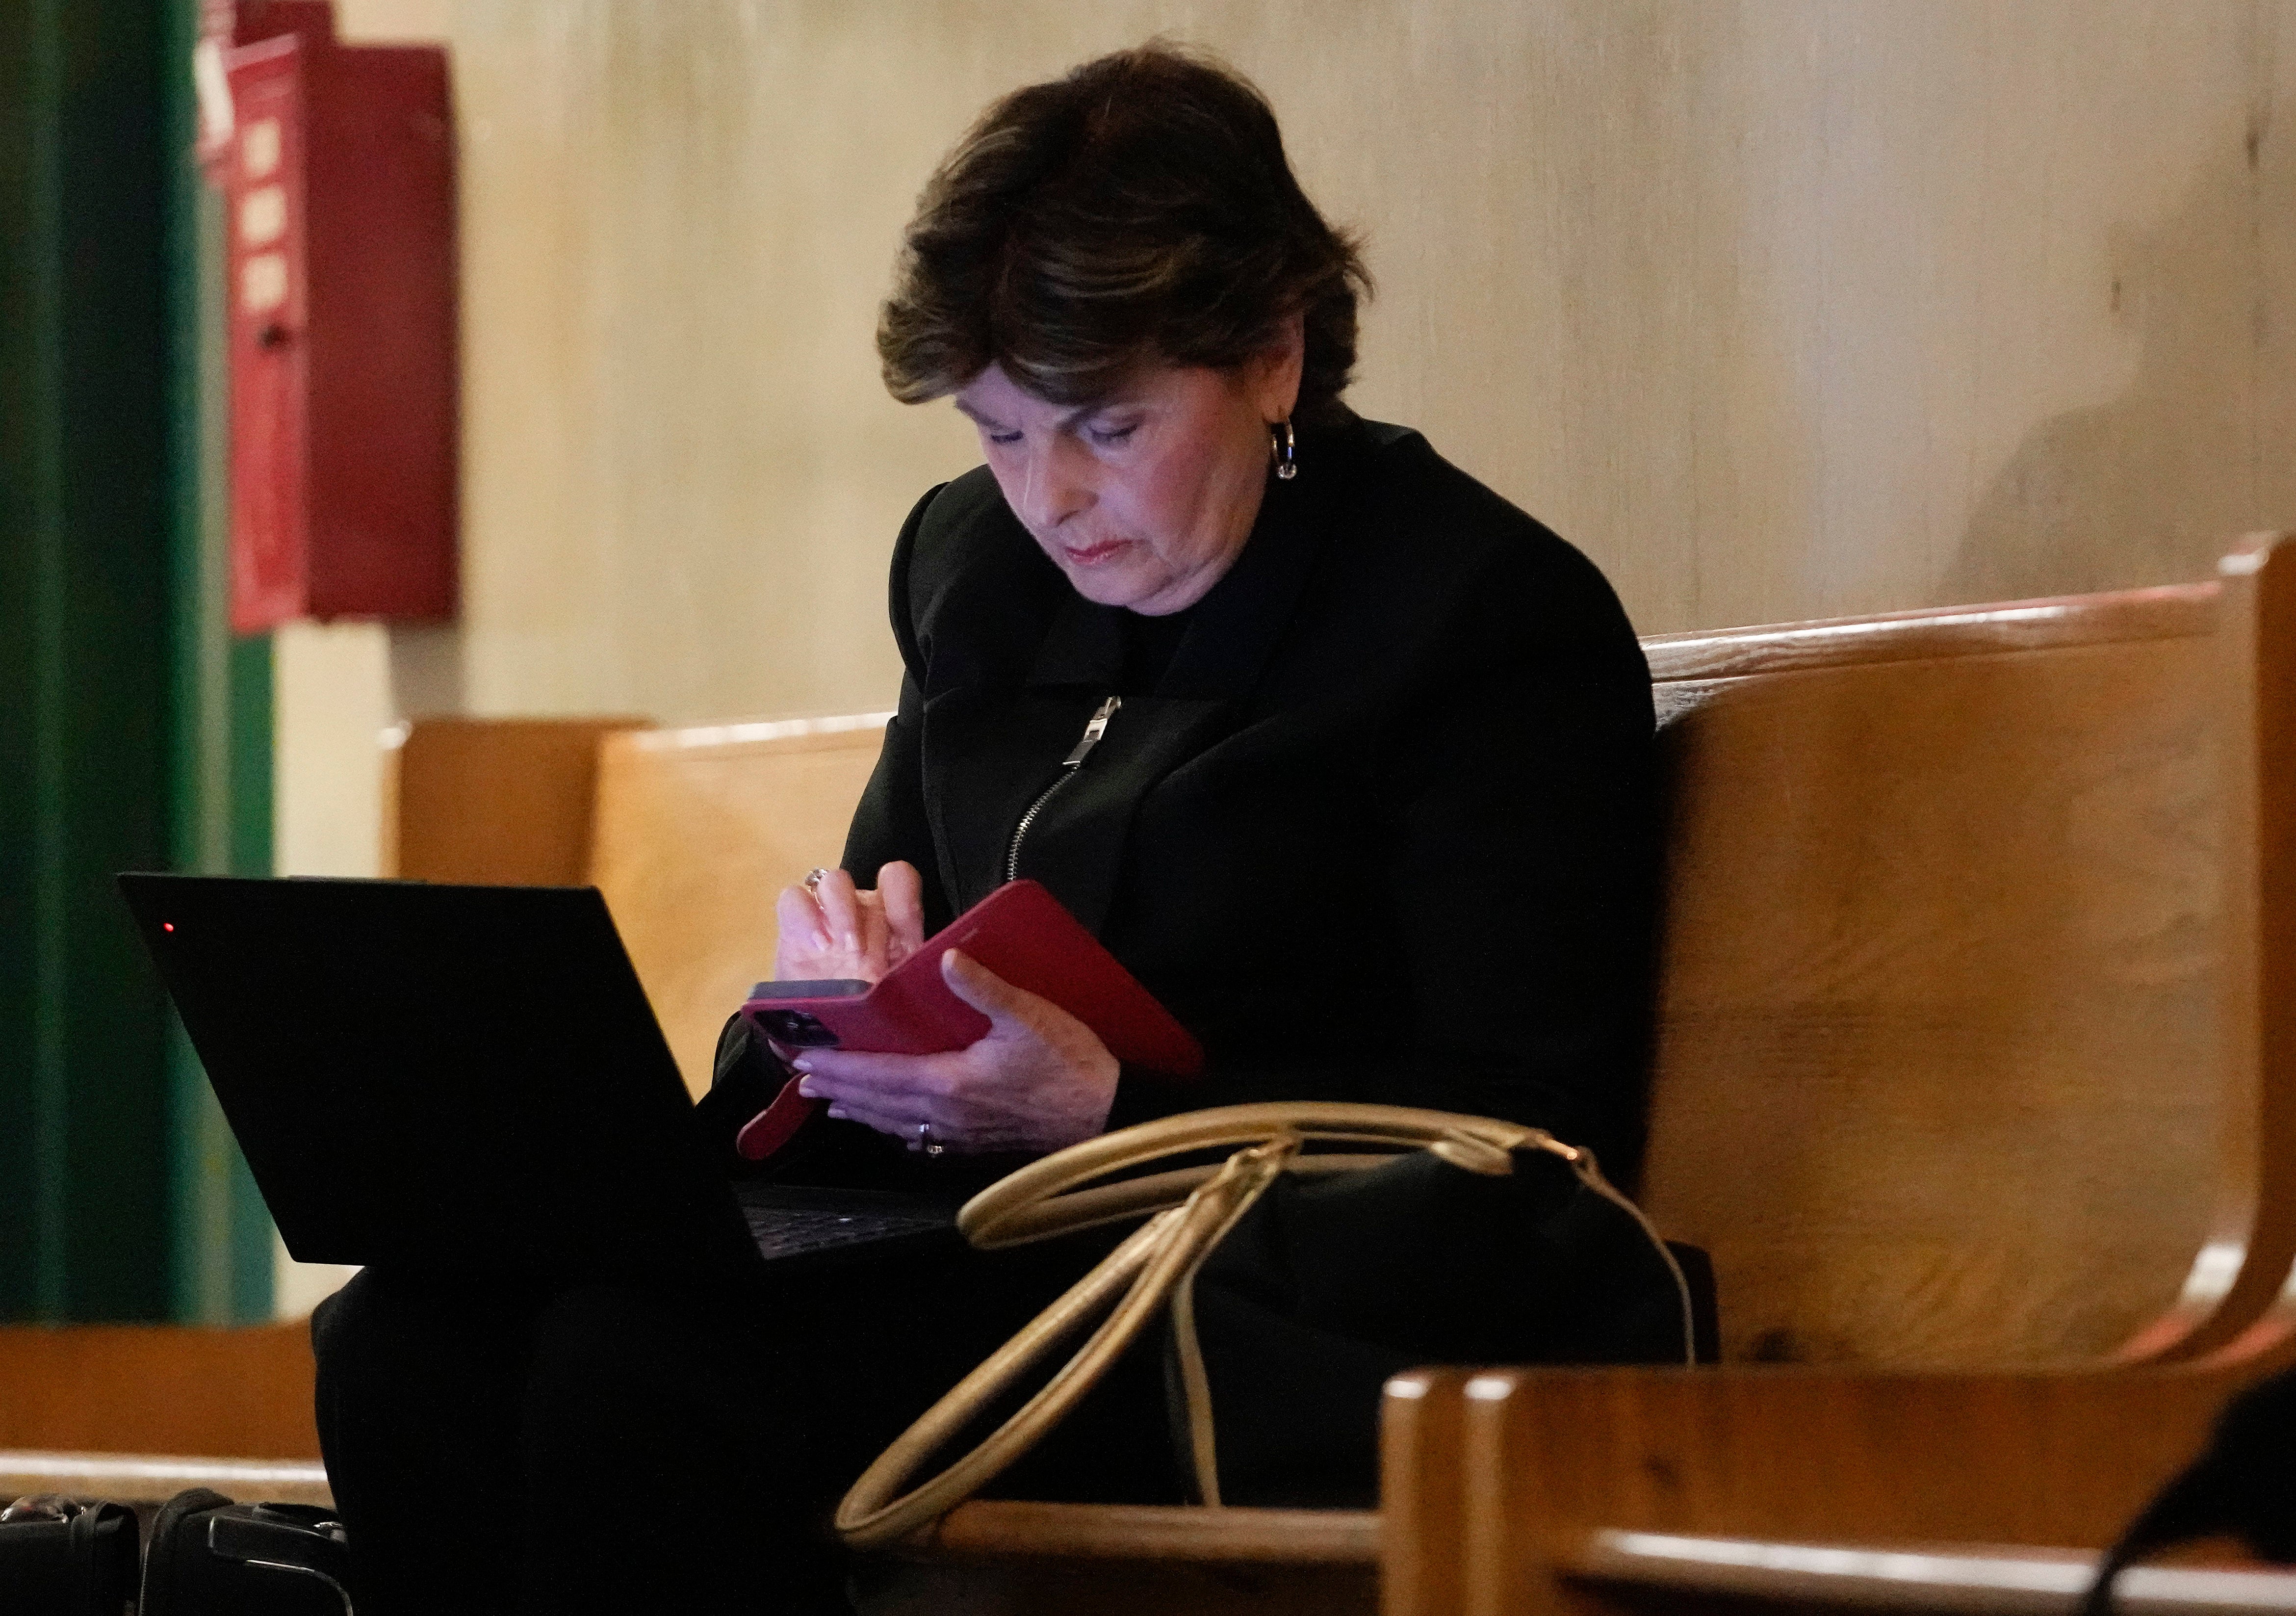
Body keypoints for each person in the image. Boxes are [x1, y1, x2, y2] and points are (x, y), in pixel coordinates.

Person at [311, 41, 1660, 1616]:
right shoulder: (976, 569)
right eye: (999, 435)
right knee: (407, 1332)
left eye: (1104, 428)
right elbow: (902, 902)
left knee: (652, 1364)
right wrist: (831, 998)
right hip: (957, 1234)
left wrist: (1113, 1108)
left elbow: (1530, 1125)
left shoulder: (1477, 615)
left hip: (1261, 1288)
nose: (1050, 500)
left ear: (1276, 356)